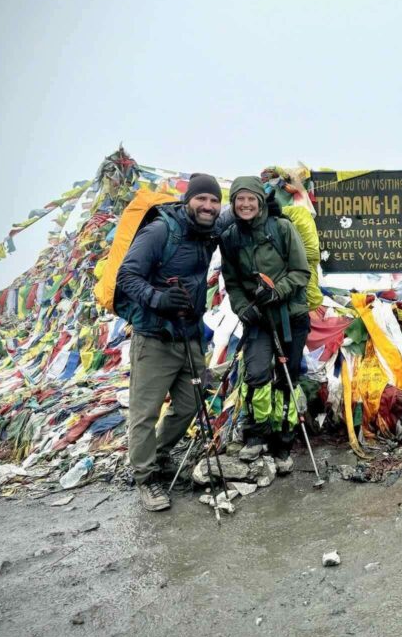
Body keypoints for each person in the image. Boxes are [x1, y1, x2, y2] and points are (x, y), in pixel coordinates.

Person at [115, 173, 224, 511]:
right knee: (144, 413)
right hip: (154, 337)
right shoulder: (160, 230)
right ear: (187, 200)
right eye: (201, 199)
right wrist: (157, 299)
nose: (207, 206)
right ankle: (146, 480)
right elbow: (126, 275)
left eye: (213, 201)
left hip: (189, 335)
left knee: (190, 403)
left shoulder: (210, 231)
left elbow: (245, 211)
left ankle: (158, 455)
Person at [219, 176, 311, 474]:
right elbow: (231, 282)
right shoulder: (231, 237)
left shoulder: (282, 228)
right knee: (256, 373)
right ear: (233, 204)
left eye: (250, 198)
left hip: (290, 316)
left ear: (260, 201)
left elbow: (301, 272)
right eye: (239, 199)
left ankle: (284, 437)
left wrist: (277, 291)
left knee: (288, 377)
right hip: (257, 318)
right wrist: (242, 307)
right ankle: (257, 432)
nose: (245, 204)